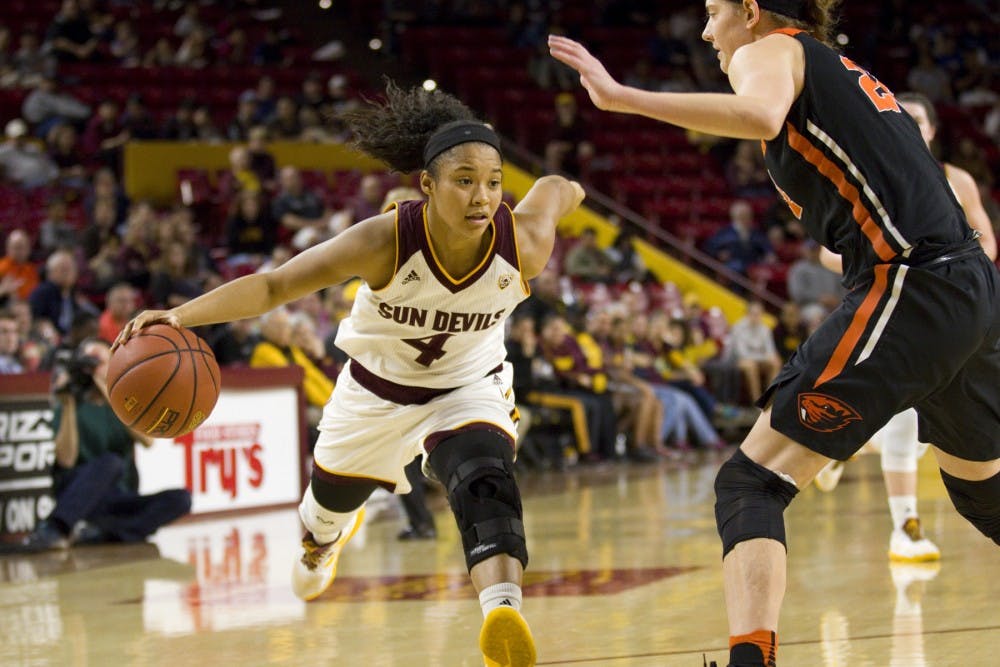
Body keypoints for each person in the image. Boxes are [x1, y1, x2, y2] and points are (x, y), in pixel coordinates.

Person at [550, 3, 1000, 666]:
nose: (705, 32)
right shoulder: (838, 71)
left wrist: (623, 98)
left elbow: (759, 115)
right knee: (983, 494)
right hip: (966, 289)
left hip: (914, 285)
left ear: (751, 12)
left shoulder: (771, 50)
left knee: (748, 483)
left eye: (712, 13)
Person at [115, 81, 585, 667]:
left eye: (493, 183)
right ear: (428, 185)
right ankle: (321, 543)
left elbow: (556, 191)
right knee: (328, 510)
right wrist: (180, 316)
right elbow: (274, 286)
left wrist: (567, 186)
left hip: (467, 385)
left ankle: (502, 610)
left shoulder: (525, 245)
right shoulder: (385, 240)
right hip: (372, 394)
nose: (482, 197)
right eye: (464, 181)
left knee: (484, 476)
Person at [811, 90, 1000, 562]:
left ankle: (844, 445)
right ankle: (906, 528)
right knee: (904, 417)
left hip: (951, 308)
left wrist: (950, 272)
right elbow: (825, 250)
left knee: (927, 420)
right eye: (903, 116)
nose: (911, 125)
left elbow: (987, 245)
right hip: (890, 304)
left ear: (933, 129)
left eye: (919, 118)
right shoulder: (874, 175)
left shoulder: (957, 180)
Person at [20, 337, 191, 550]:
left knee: (181, 499)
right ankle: (57, 528)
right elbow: (66, 459)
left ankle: (101, 534)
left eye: (98, 362)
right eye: (88, 362)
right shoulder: (70, 402)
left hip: (118, 498)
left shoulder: (126, 403)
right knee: (112, 462)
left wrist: (111, 393)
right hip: (78, 494)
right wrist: (68, 405)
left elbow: (148, 440)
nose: (93, 369)